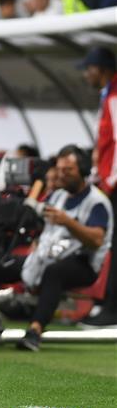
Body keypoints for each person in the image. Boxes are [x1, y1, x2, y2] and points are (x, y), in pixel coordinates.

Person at [0, 147, 113, 351]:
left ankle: (35, 331)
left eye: (68, 170)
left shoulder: (97, 201)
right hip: (48, 256)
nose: (62, 175)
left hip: (84, 262)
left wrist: (68, 222)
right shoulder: (57, 196)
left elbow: (97, 240)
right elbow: (37, 221)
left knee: (54, 273)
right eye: (59, 169)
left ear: (83, 170)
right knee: (3, 264)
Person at [78, 47, 117, 327]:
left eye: (88, 69)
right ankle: (106, 304)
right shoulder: (108, 94)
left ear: (101, 69)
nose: (85, 74)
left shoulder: (115, 96)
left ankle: (112, 309)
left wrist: (110, 181)